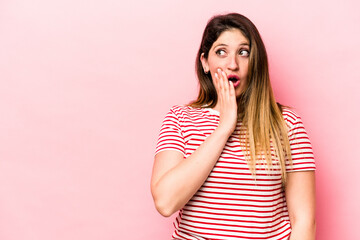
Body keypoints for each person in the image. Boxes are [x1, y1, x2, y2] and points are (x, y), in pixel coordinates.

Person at [151, 13, 316, 240]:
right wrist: (224, 127)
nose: (233, 64)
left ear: (255, 62)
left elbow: (304, 221)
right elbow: (166, 202)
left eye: (243, 52)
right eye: (221, 52)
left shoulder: (287, 123)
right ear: (205, 62)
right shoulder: (180, 118)